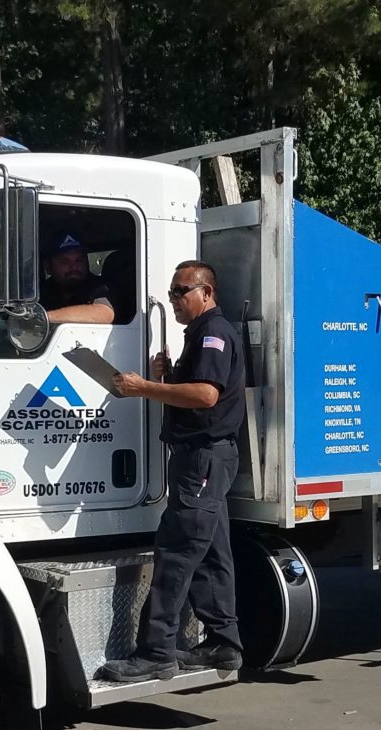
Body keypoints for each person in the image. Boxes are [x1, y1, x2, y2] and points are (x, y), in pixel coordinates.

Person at [102, 260, 245, 682]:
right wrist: (170, 376)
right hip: (204, 459)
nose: (175, 299)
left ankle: (156, 652)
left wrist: (144, 387)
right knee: (213, 555)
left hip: (202, 459)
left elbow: (205, 395)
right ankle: (224, 643)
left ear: (206, 292)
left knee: (177, 553)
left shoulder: (214, 333)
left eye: (181, 291)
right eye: (171, 292)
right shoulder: (200, 335)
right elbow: (195, 388)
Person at [40, 231, 115, 325]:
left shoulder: (99, 286)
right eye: (65, 261)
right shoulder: (40, 291)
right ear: (48, 267)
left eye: (79, 260)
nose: (74, 267)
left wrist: (44, 318)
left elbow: (105, 314)